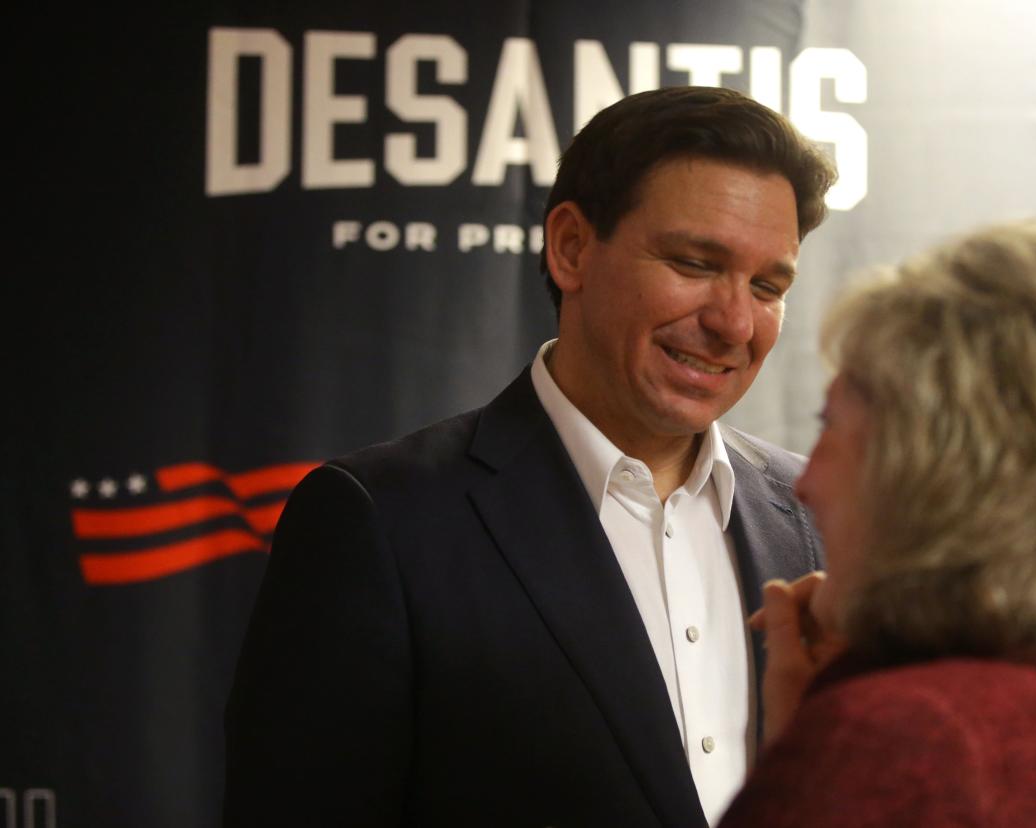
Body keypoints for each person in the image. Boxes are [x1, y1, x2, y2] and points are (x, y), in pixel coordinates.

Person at [224, 86, 837, 827]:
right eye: (694, 262)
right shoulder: (379, 521)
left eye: (768, 285)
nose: (733, 321)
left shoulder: (817, 512)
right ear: (571, 247)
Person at [720, 215, 1036, 827]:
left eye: (831, 423)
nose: (804, 485)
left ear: (935, 471)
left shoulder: (902, 749)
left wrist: (820, 758)